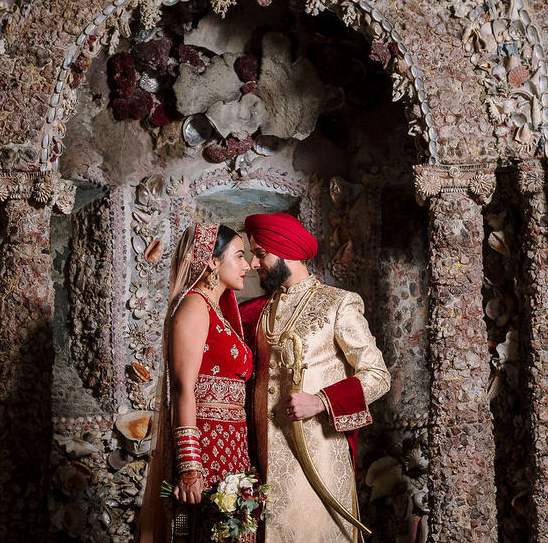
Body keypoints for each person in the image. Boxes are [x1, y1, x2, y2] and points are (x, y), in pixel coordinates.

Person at [238, 212, 390, 543]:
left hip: (316, 454)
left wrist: (320, 402)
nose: (253, 263)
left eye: (260, 253)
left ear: (285, 250)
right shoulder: (259, 311)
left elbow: (378, 376)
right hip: (262, 456)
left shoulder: (338, 303)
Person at [139, 223, 254, 543]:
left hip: (232, 446)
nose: (247, 265)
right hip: (206, 446)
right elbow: (181, 388)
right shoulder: (195, 306)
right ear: (213, 261)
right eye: (240, 256)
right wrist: (190, 466)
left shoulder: (218, 310)